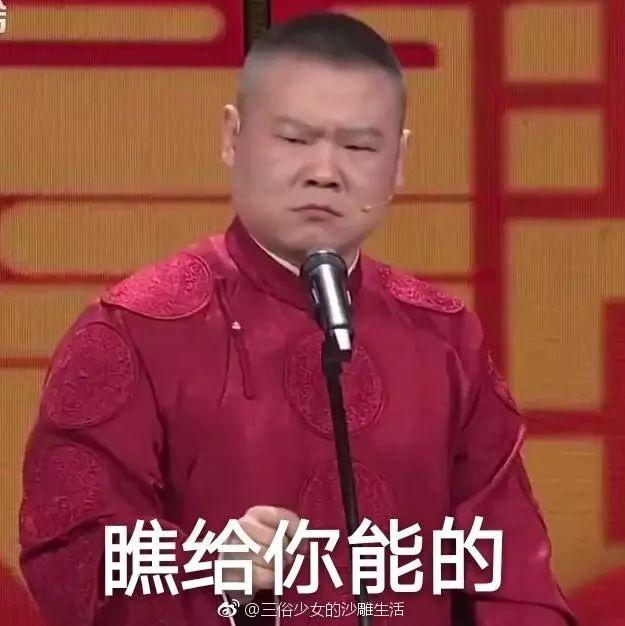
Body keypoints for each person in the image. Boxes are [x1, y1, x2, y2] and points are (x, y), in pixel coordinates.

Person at [18, 11, 576, 626]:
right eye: (293, 139)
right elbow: (73, 560)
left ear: (398, 161)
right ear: (233, 138)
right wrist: (216, 572)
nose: (324, 173)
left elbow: (512, 574)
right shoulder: (133, 329)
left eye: (359, 147)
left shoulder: (444, 336)